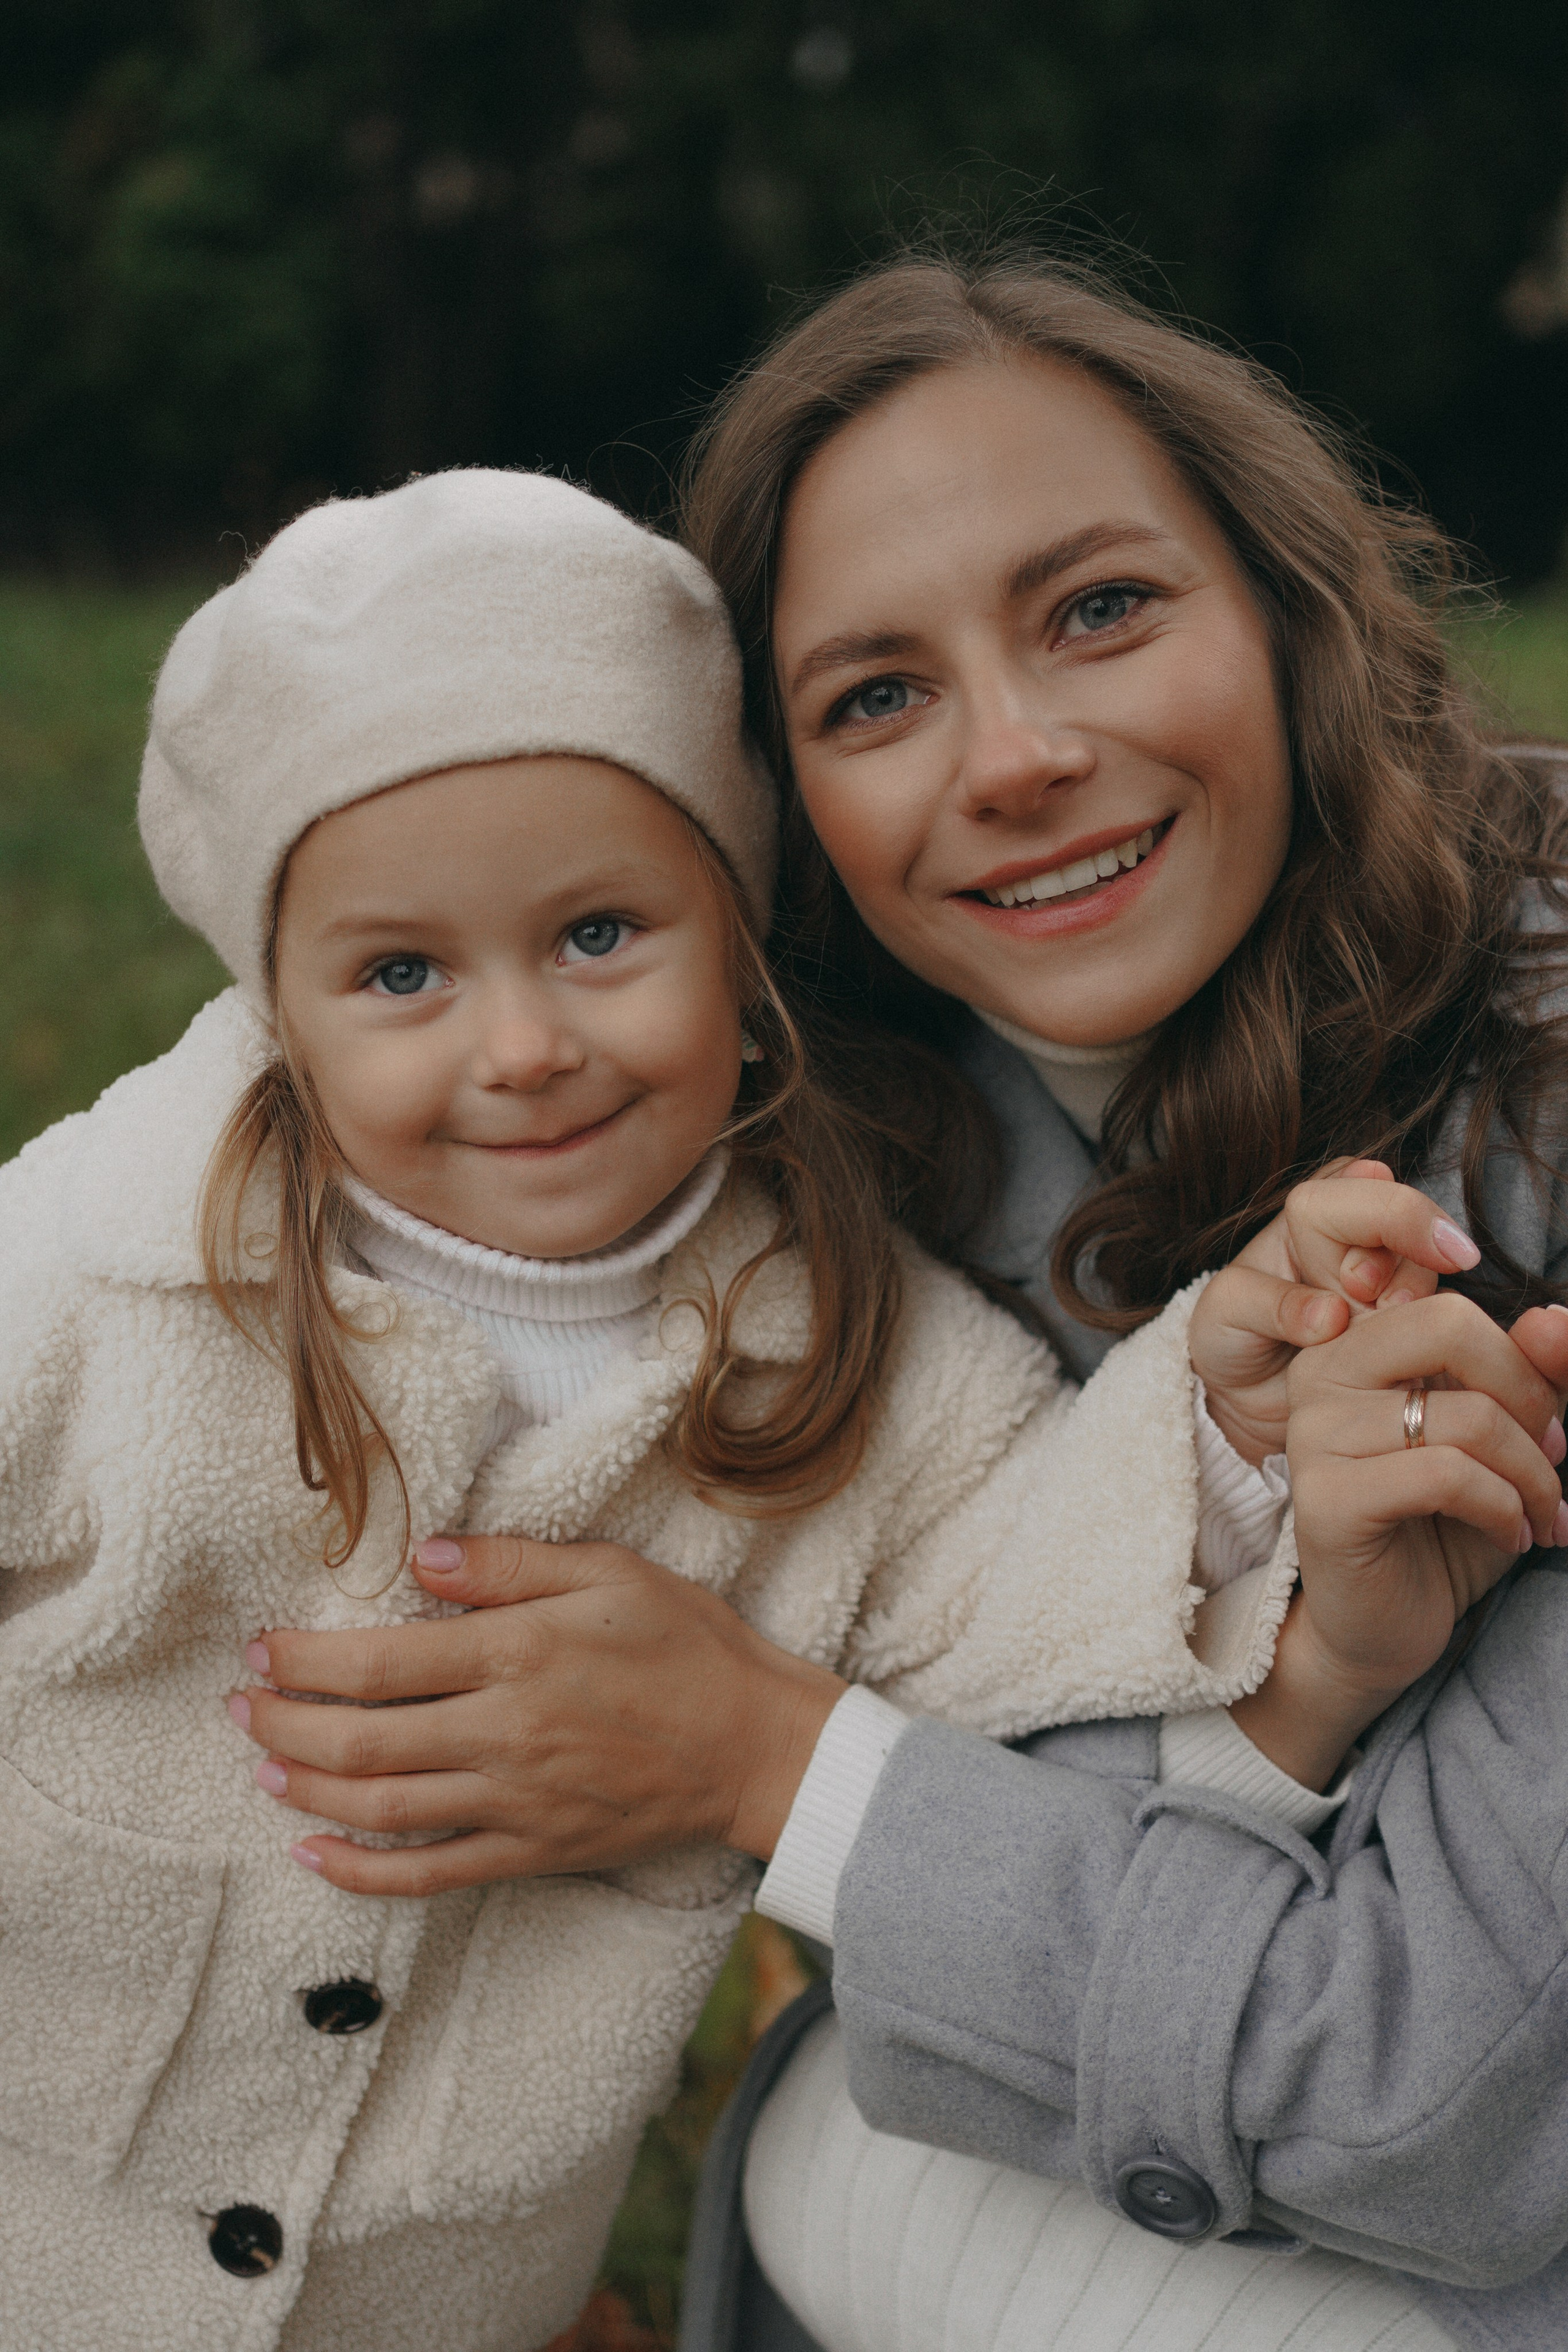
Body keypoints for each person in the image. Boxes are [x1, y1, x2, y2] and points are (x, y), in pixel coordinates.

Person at [237, 257, 1568, 2350]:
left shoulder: (1536, 1103)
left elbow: (1454, 2112)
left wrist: (771, 1765)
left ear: (1290, 616)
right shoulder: (819, 1166)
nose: (1021, 756)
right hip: (1075, 2159)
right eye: (876, 696)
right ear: (768, 819)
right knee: (849, 2167)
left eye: (1101, 609)